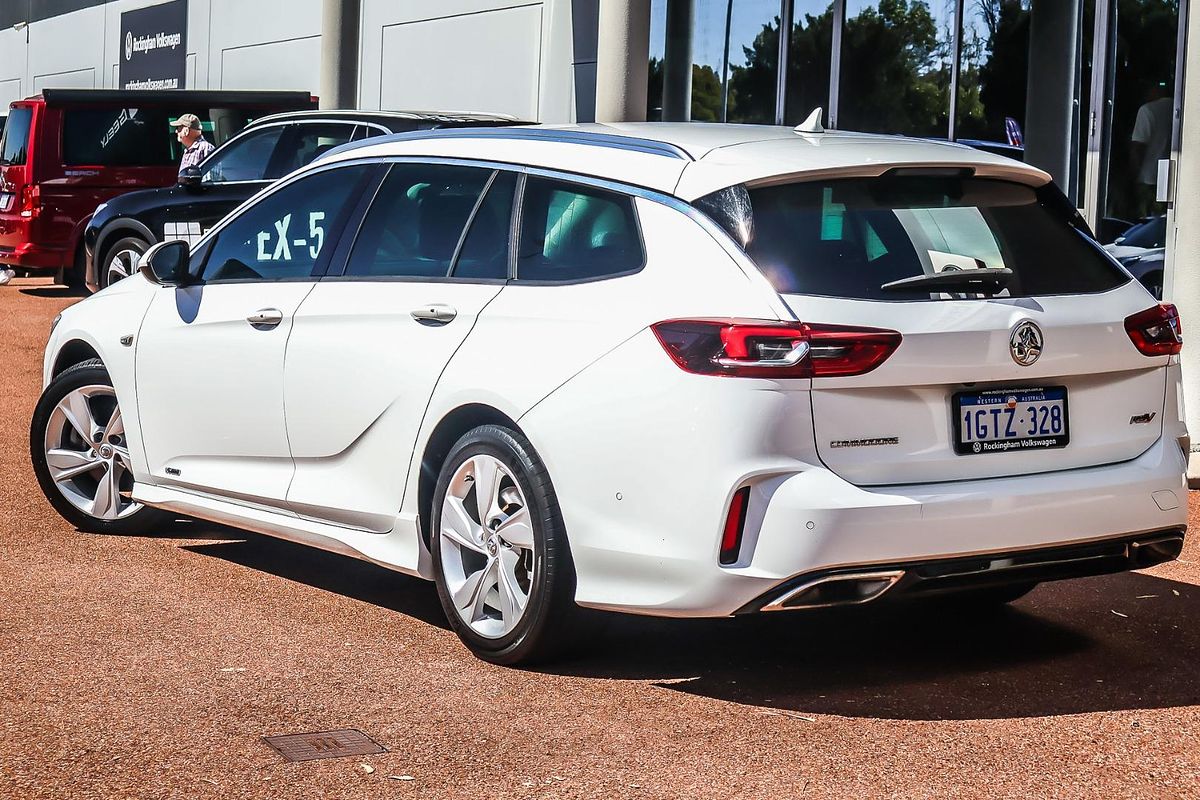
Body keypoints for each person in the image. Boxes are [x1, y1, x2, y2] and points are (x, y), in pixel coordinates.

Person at [1130, 83, 1172, 217]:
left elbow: (1138, 146)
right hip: (1172, 175)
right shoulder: (1177, 107)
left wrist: (1134, 175)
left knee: (1147, 220)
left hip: (1149, 178)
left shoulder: (1147, 110)